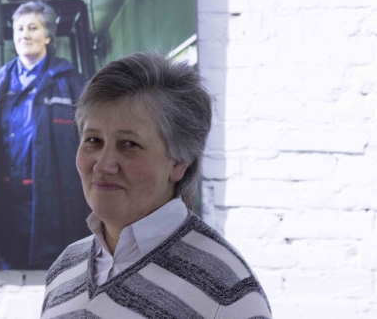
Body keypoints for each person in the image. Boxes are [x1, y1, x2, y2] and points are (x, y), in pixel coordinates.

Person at [42, 52, 271, 318]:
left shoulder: (227, 294)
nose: (103, 166)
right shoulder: (65, 268)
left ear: (179, 162)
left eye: (129, 144)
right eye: (94, 140)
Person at [0, 0, 90, 269]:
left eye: (33, 27)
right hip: (8, 209)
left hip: (58, 210)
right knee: (13, 275)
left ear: (48, 36)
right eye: (19, 28)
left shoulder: (72, 84)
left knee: (60, 279)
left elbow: (93, 152)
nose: (25, 34)